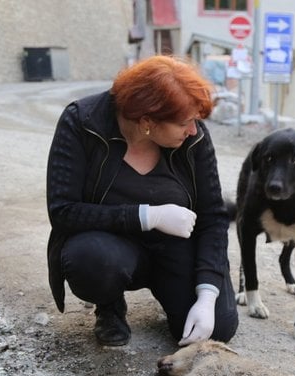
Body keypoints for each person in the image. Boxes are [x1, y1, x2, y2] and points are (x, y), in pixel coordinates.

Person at [46, 55, 239, 347]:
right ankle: (110, 304)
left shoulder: (194, 137)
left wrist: (207, 294)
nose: (192, 131)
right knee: (90, 260)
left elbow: (212, 215)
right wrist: (149, 216)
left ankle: (176, 295)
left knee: (219, 329)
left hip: (175, 247)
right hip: (110, 247)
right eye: (184, 123)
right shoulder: (82, 122)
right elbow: (63, 211)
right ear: (147, 122)